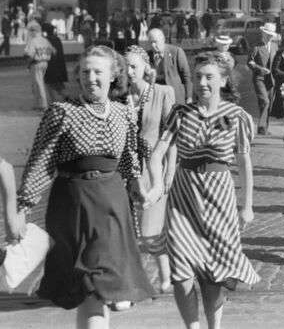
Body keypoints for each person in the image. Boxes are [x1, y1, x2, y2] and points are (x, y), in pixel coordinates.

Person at [15, 45, 155, 327]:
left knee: (97, 290)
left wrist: (139, 186)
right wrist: (23, 205)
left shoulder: (123, 113)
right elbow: (41, 162)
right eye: (85, 72)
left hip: (113, 205)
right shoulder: (62, 112)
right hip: (74, 206)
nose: (91, 78)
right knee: (89, 287)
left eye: (98, 72)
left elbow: (128, 158)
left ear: (113, 76)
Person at [144, 51, 259, 329]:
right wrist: (158, 185)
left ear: (222, 81)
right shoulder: (181, 113)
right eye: (197, 77)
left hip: (219, 201)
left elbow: (244, 163)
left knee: (213, 275)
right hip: (183, 200)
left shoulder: (236, 116)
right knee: (181, 271)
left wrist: (247, 206)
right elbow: (157, 154)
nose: (202, 83)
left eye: (209, 77)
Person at [123, 45, 177, 293]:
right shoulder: (119, 97)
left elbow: (172, 134)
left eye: (134, 66)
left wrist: (168, 173)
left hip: (153, 170)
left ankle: (165, 276)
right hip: (126, 171)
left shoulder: (163, 92)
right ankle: (136, 281)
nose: (129, 71)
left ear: (147, 67)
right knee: (129, 230)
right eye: (125, 67)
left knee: (150, 230)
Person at [247, 22, 279, 135]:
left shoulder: (275, 46)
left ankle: (264, 128)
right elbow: (249, 62)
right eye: (267, 34)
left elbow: (278, 61)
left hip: (271, 80)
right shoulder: (256, 46)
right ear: (263, 33)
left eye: (271, 34)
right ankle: (261, 126)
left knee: (267, 104)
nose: (269, 36)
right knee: (265, 101)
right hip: (259, 78)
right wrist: (260, 69)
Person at [148, 27, 192, 109]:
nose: (153, 45)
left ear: (163, 40)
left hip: (175, 97)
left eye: (155, 42)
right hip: (156, 98)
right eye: (150, 42)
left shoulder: (176, 52)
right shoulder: (147, 56)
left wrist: (189, 97)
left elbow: (186, 76)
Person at [24, 21, 54, 110]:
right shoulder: (45, 40)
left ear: (34, 31)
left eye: (31, 31)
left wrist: (28, 64)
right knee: (38, 83)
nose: (30, 33)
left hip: (36, 63)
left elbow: (30, 54)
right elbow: (53, 50)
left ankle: (43, 104)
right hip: (45, 63)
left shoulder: (33, 41)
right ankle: (37, 104)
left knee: (38, 84)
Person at [42, 22, 68, 103]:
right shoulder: (57, 39)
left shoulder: (45, 40)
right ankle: (66, 97)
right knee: (59, 85)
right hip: (59, 65)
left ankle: (54, 102)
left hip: (50, 66)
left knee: (49, 84)